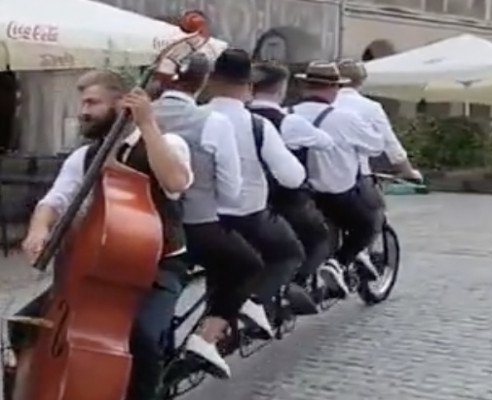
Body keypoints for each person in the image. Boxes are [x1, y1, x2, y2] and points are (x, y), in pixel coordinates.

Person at [15, 70, 193, 400]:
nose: (83, 111)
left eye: (92, 103)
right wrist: (38, 230)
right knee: (25, 324)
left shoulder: (165, 144)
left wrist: (148, 124)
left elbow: (176, 183)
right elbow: (53, 201)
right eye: (83, 102)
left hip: (156, 268)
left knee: (140, 337)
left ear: (121, 102)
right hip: (96, 270)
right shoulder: (84, 156)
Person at [150, 52, 271, 379]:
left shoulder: (138, 114)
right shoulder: (211, 122)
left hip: (143, 225)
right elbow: (231, 191)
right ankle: (206, 338)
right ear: (204, 82)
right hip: (195, 227)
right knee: (249, 265)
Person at [204, 49, 315, 320]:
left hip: (201, 218)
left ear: (211, 81)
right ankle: (255, 302)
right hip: (246, 217)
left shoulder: (197, 116)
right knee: (290, 253)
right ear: (249, 86)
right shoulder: (257, 125)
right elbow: (292, 177)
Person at [247, 61, 348, 296]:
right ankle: (295, 286)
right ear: (281, 89)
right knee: (319, 237)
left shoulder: (241, 117)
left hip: (244, 197)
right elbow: (326, 142)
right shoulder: (289, 122)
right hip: (283, 199)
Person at [290, 61, 384, 296]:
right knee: (368, 224)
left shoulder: (288, 114)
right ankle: (339, 263)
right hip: (335, 195)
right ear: (334, 89)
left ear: (305, 86)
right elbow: (376, 146)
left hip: (299, 194)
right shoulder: (344, 118)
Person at [334, 59, 422, 273]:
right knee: (374, 213)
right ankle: (344, 259)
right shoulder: (370, 108)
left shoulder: (319, 104)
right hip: (354, 177)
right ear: (361, 81)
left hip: (310, 176)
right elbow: (390, 145)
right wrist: (409, 172)